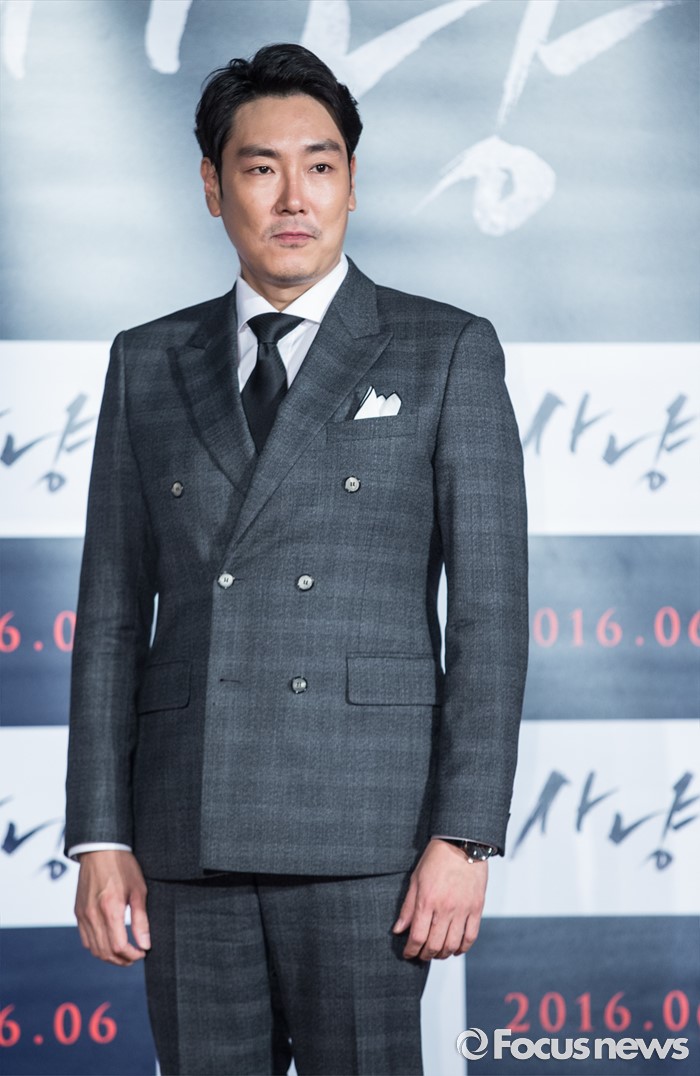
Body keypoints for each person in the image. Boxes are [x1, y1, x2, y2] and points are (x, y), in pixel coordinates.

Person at [65, 43, 528, 1076]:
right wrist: (100, 835)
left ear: (352, 185)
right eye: (260, 167)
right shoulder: (147, 359)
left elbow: (490, 615)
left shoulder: (443, 348)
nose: (293, 197)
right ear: (212, 185)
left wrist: (464, 836)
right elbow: (109, 617)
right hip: (187, 829)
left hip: (369, 836)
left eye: (320, 166)